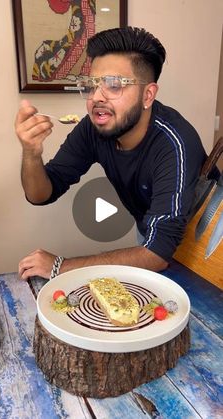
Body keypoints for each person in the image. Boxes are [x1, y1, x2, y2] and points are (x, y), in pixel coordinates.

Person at [15, 26, 207, 281]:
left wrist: (60, 266)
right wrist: (30, 153)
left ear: (147, 95)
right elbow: (41, 194)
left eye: (113, 85)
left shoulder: (174, 143)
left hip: (206, 246)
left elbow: (156, 254)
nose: (96, 97)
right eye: (91, 85)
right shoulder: (93, 128)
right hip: (153, 238)